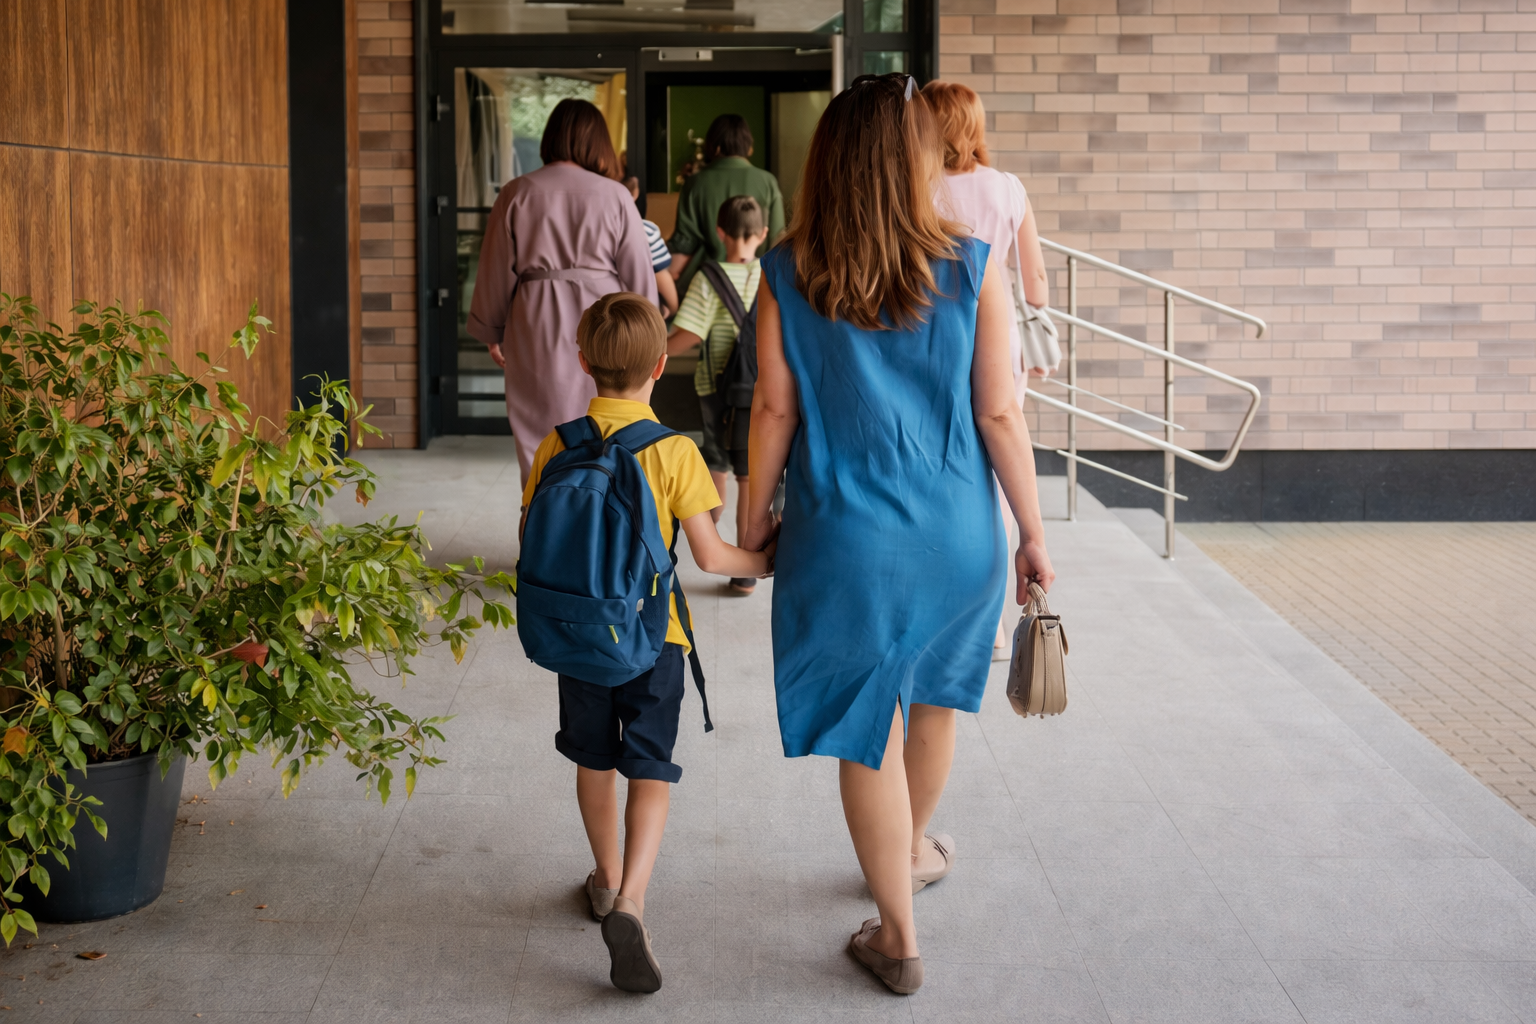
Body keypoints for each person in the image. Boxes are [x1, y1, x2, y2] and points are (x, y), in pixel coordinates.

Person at [740, 74, 1055, 995]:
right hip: (959, 534)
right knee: (933, 704)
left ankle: (899, 935)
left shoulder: (790, 272)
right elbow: (1000, 414)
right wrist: (1031, 532)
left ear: (830, 162)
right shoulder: (973, 262)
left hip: (845, 537)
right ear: (916, 157)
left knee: (860, 730)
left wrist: (753, 516)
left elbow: (772, 410)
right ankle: (907, 859)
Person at [520, 293, 773, 993]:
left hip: (577, 636)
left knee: (594, 759)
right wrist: (772, 559)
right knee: (650, 767)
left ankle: (602, 879)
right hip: (653, 640)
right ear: (663, 364)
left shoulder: (556, 443)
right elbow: (714, 559)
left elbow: (529, 540)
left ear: (582, 362)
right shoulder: (674, 452)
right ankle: (632, 898)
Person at [925, 80, 1053, 658]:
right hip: (999, 345)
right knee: (1000, 474)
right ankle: (994, 627)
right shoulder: (1008, 188)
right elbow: (1037, 287)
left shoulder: (917, 188)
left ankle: (941, 609)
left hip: (933, 341)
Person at [469, 99, 658, 481]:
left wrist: (493, 331)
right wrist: (652, 340)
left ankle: (539, 520)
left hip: (533, 321)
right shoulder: (617, 195)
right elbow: (640, 278)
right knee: (607, 430)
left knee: (537, 442)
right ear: (599, 142)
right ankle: (598, 515)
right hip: (605, 326)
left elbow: (494, 270)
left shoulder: (515, 193)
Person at [666, 195, 769, 595]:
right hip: (762, 390)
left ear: (720, 232)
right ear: (762, 234)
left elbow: (689, 335)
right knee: (751, 477)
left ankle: (703, 539)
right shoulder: (771, 275)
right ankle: (744, 570)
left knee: (716, 467)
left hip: (716, 390)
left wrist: (659, 348)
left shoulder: (708, 278)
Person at [667, 114, 785, 296]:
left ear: (714, 146)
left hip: (705, 285)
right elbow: (778, 242)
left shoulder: (695, 183)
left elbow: (684, 243)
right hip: (755, 286)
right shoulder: (767, 182)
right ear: (749, 145)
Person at [624, 176, 680, 317]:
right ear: (634, 193)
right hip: (638, 314)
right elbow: (661, 276)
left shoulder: (585, 230)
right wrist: (673, 308)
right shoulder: (645, 230)